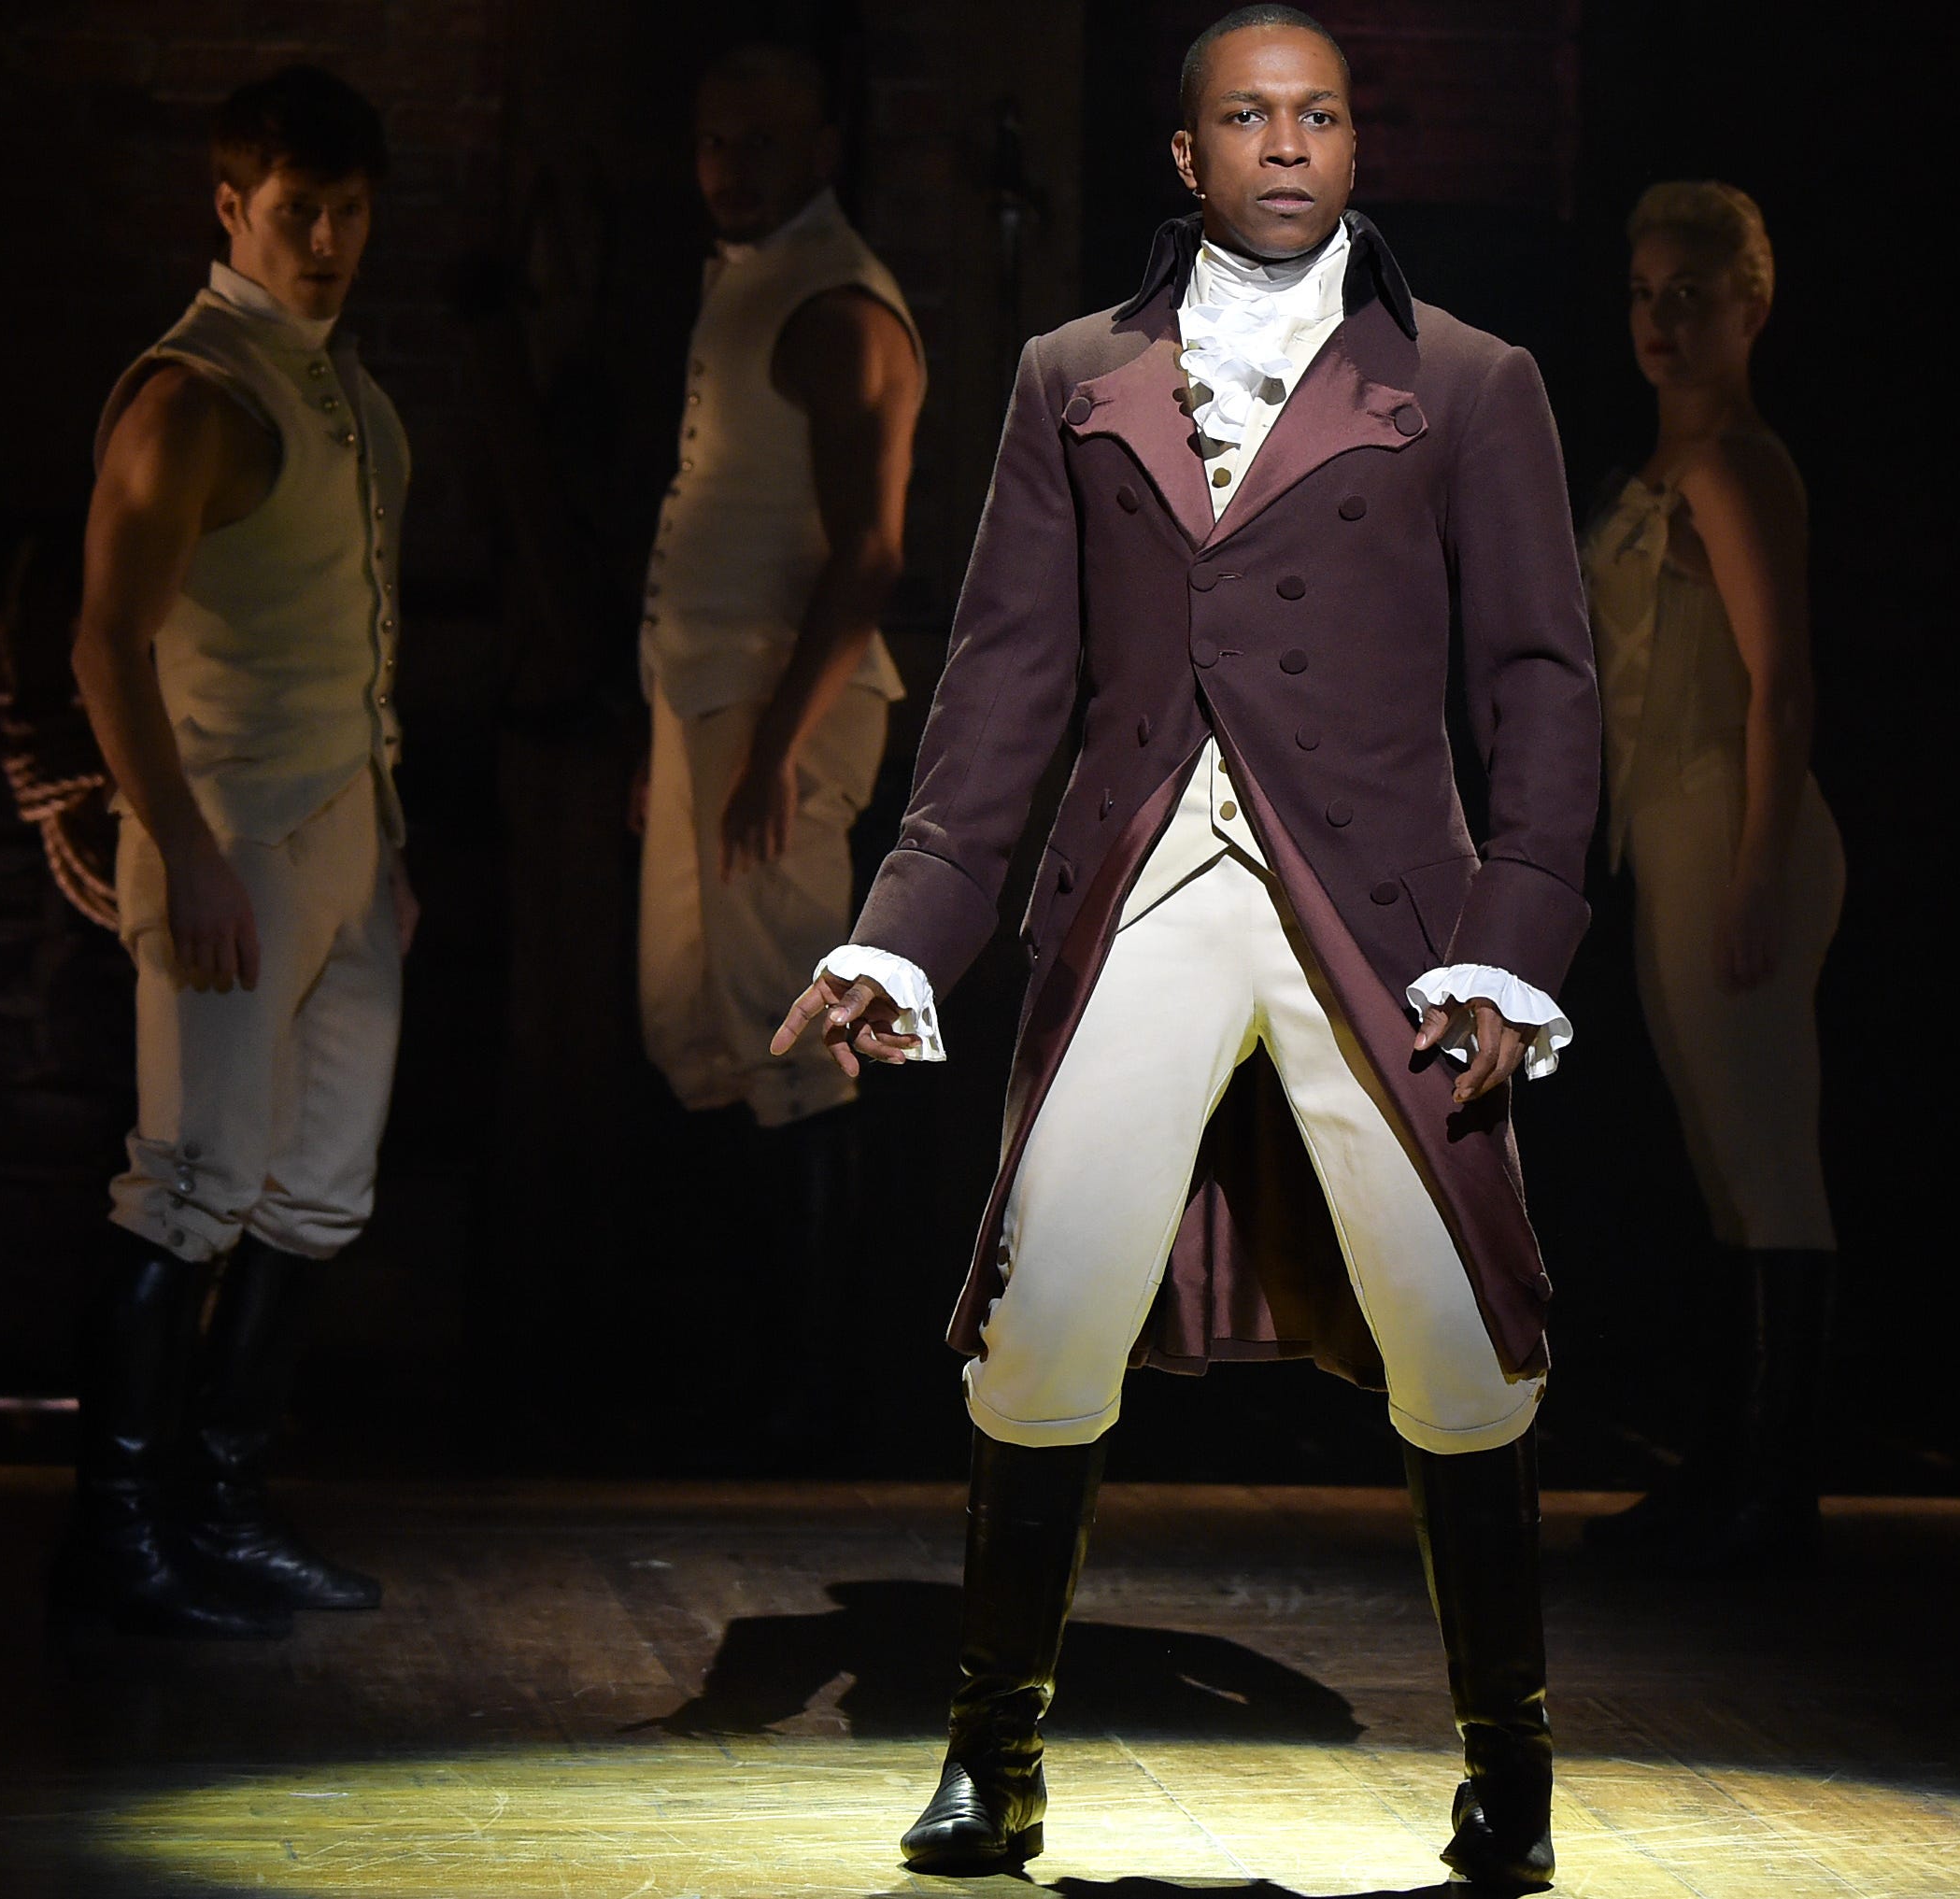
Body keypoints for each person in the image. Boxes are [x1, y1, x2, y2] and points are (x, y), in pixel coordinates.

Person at [771, 7, 1597, 1886]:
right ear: (1187, 154)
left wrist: (1514, 941)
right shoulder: (1074, 375)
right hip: (1146, 880)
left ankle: (1512, 1769)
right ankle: (994, 1757)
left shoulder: (1470, 382)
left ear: (1357, 144)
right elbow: (1003, 679)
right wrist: (906, 936)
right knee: (1048, 1301)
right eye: (1248, 115)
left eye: (1320, 115)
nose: (1287, 145)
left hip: (1379, 914)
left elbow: (1542, 683)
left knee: (1455, 1327)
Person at [53, 65, 412, 1639]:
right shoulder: (192, 395)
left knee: (314, 1187)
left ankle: (223, 1508)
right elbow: (105, 643)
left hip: (346, 837)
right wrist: (183, 848)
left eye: (348, 211)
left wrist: (389, 841)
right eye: (296, 211)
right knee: (191, 1179)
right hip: (234, 841)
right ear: (230, 208)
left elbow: (358, 633)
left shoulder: (338, 385)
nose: (325, 240)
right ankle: (115, 1538)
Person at [632, 37, 923, 1452]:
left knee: (797, 1039)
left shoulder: (837, 306)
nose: (729, 167)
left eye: (760, 141)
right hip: (709, 704)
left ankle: (812, 1400)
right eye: (713, 140)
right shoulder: (748, 281)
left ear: (822, 149)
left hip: (776, 711)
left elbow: (868, 554)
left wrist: (770, 752)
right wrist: (673, 733)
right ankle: (731, 1376)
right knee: (697, 1027)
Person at [1575, 181, 1846, 1571]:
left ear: (1753, 306)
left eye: (1691, 294)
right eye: (1645, 293)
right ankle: (1728, 1467)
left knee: (1765, 1159)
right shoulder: (1665, 468)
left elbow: (1782, 685)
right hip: (1671, 829)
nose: (1662, 320)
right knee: (1721, 1163)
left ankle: (1771, 1489)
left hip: (1730, 826)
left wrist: (1755, 872)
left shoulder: (1737, 468)